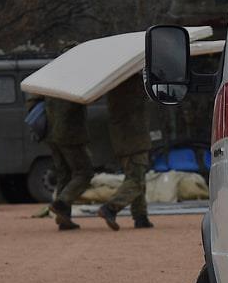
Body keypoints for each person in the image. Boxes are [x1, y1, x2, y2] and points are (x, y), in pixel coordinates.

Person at [98, 74, 153, 230]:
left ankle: (140, 217)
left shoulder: (114, 83)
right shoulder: (131, 85)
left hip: (123, 140)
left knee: (136, 177)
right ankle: (110, 208)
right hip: (134, 139)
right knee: (136, 181)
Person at [45, 96, 94, 231]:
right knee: (84, 173)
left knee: (64, 174)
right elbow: (88, 97)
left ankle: (64, 219)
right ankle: (60, 204)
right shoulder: (72, 84)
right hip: (70, 133)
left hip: (51, 132)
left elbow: (32, 100)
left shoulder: (48, 84)